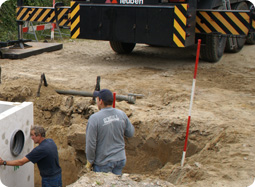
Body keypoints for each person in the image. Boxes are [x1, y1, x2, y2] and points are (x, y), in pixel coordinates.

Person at [85, 89, 135, 175]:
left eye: (97, 99)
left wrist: (90, 161)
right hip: (120, 159)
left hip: (103, 162)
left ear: (100, 101)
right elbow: (130, 133)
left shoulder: (94, 119)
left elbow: (91, 144)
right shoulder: (121, 114)